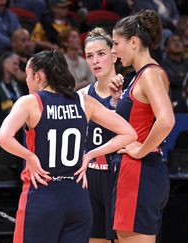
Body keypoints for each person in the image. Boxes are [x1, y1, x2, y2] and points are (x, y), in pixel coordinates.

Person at [0, 49, 137, 243]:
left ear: (38, 76)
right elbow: (130, 133)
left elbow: (4, 137)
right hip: (78, 197)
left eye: (28, 75)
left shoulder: (30, 102)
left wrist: (30, 156)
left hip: (42, 194)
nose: (26, 80)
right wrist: (90, 155)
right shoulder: (84, 101)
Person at [109, 10, 175, 243]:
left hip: (139, 172)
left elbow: (166, 120)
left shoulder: (149, 75)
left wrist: (141, 149)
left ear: (134, 42)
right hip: (139, 172)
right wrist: (119, 100)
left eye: (116, 43)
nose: (113, 51)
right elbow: (139, 120)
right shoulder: (142, 76)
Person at [78, 27, 118, 243]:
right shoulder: (81, 96)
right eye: (90, 56)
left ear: (114, 55)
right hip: (90, 177)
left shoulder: (131, 91)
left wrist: (119, 103)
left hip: (119, 174)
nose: (95, 61)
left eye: (101, 54)